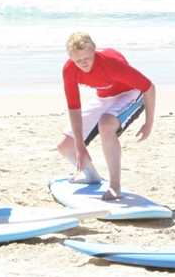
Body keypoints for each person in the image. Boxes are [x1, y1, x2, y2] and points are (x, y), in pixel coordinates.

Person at [57, 33, 155, 201]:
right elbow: (74, 107)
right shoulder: (69, 70)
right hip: (104, 96)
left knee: (106, 125)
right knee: (65, 146)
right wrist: (80, 145)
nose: (83, 64)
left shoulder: (111, 64)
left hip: (130, 92)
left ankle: (115, 186)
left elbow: (148, 87)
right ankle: (91, 176)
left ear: (94, 50)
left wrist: (148, 123)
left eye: (87, 58)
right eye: (78, 61)